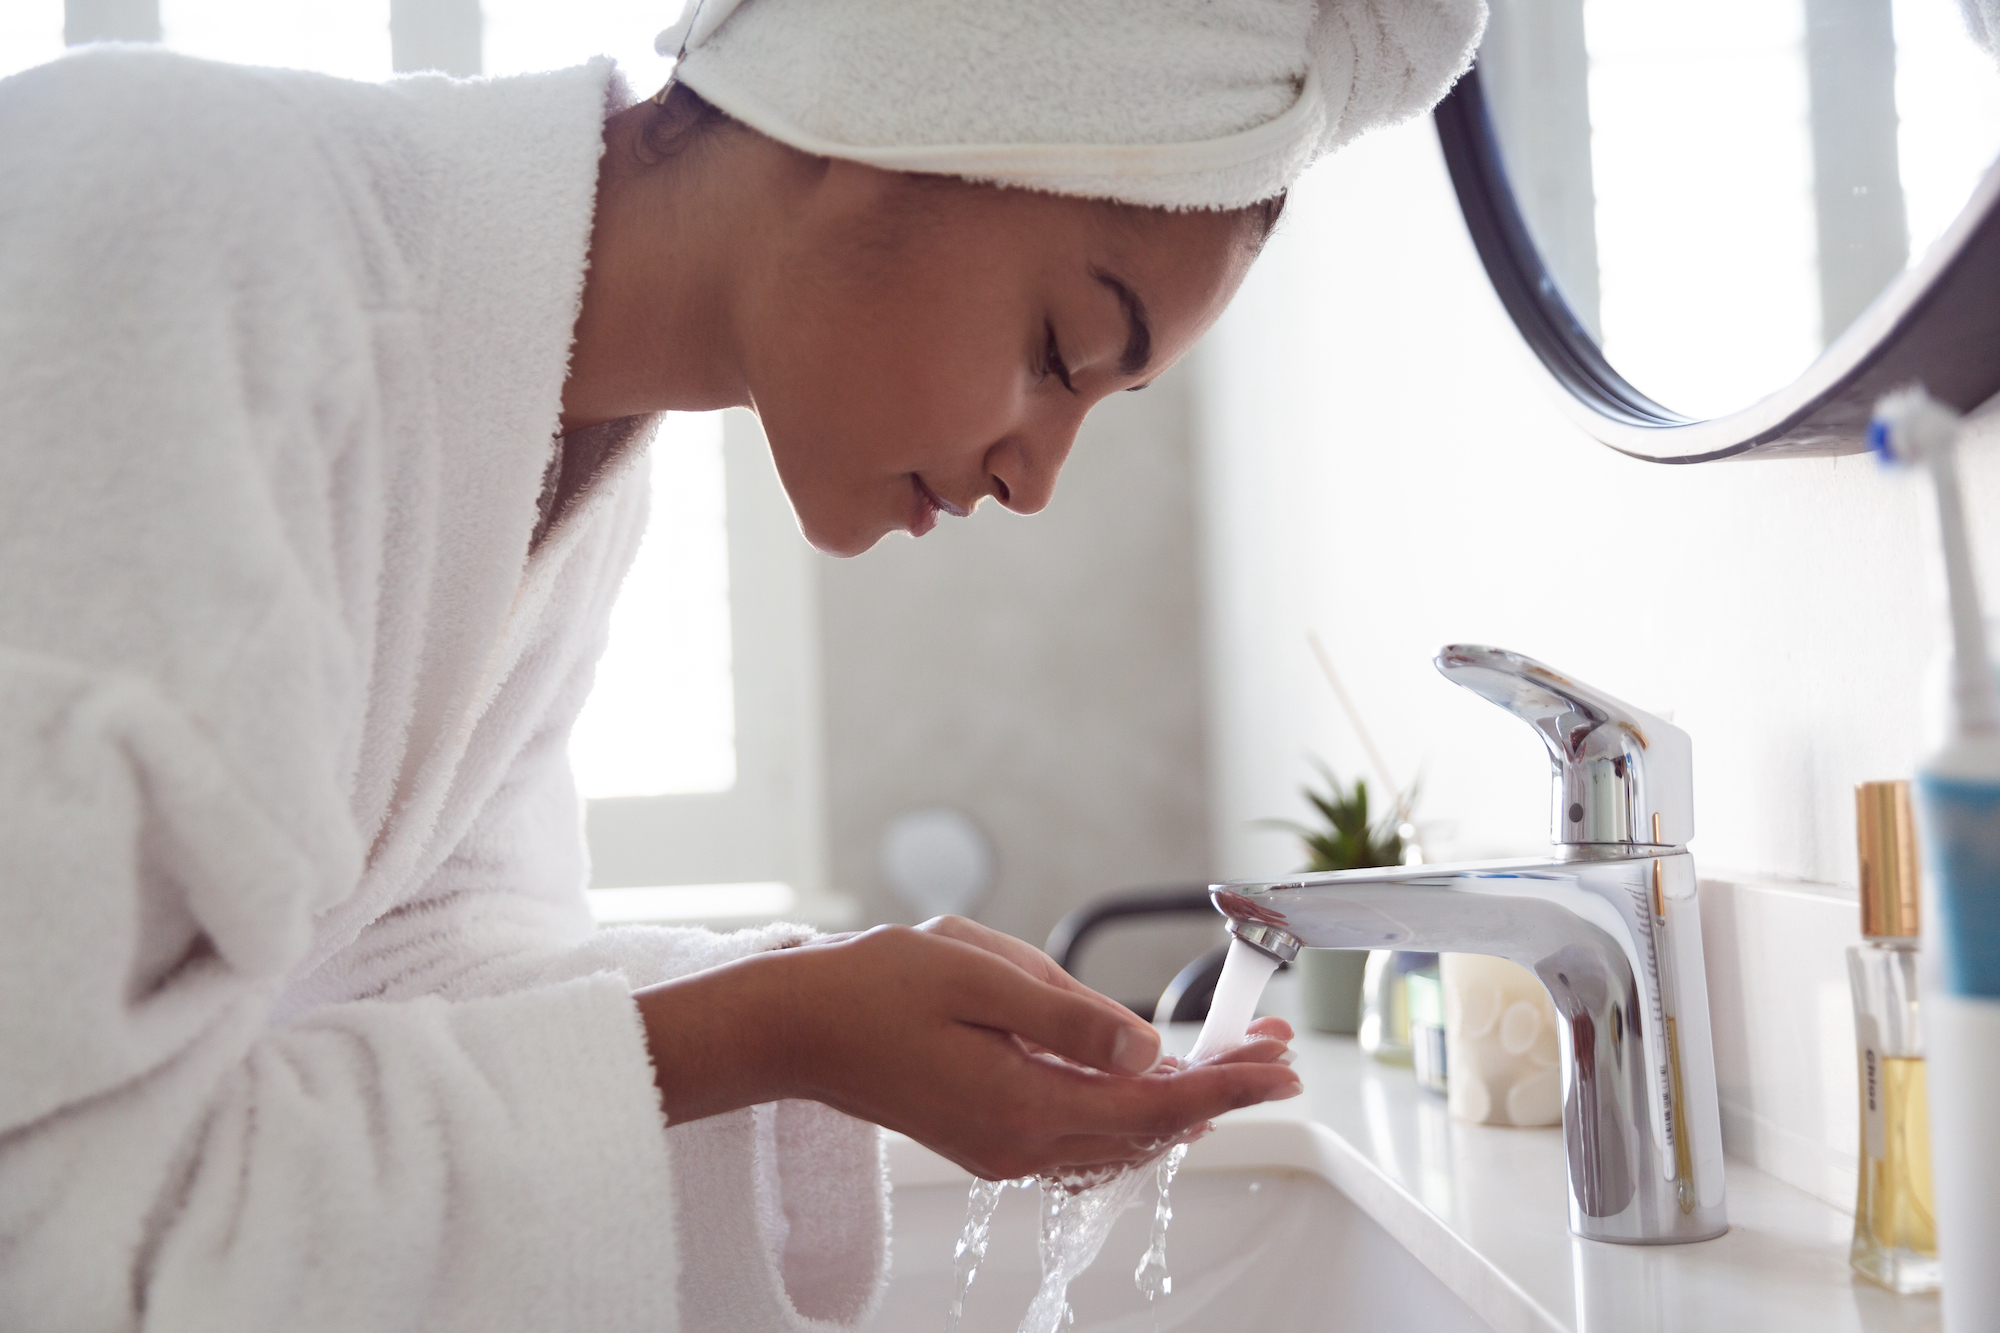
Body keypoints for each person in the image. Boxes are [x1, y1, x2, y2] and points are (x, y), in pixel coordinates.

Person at [0, 0, 1482, 1328]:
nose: (1039, 479)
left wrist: (824, 1012)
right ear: (889, 110)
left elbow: (408, 976)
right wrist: (779, 1031)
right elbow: (43, 1207)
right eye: (1057, 347)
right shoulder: (166, 238)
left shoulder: (548, 449)